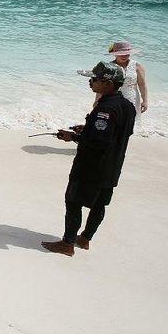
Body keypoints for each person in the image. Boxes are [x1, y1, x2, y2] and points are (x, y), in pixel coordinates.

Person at [42, 62, 136, 256]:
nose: (91, 82)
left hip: (91, 167)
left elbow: (99, 142)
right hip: (112, 167)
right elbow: (121, 133)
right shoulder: (127, 106)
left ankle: (67, 244)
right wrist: (88, 129)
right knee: (99, 204)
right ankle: (85, 239)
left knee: (73, 201)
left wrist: (73, 137)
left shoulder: (106, 108)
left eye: (94, 79)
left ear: (108, 84)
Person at [90, 41, 148, 117]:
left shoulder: (137, 65)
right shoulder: (109, 67)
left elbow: (142, 84)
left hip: (131, 99)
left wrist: (145, 101)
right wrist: (97, 100)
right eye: (121, 54)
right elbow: (102, 85)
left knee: (129, 123)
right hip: (111, 99)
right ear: (115, 54)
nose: (125, 56)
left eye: (127, 54)